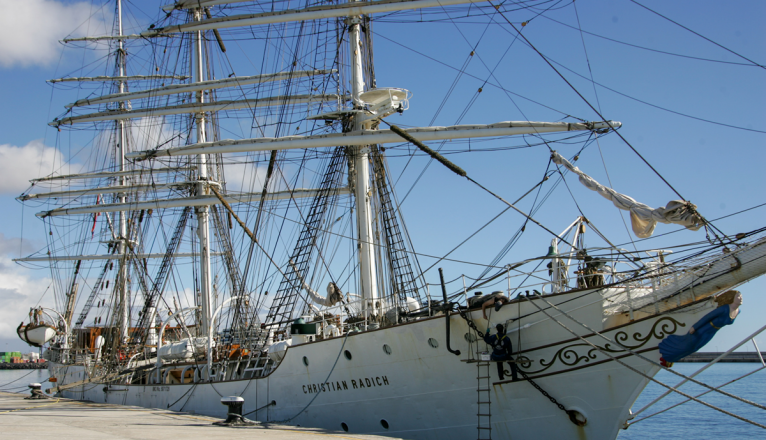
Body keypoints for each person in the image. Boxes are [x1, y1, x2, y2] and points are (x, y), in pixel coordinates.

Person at [658, 290, 742, 367]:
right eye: (738, 296)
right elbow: (707, 317)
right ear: (732, 298)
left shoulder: (738, 311)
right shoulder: (724, 309)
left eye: (741, 296)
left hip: (712, 332)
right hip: (705, 329)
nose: (740, 298)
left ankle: (671, 358)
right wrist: (695, 327)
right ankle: (667, 356)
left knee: (695, 348)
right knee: (689, 346)